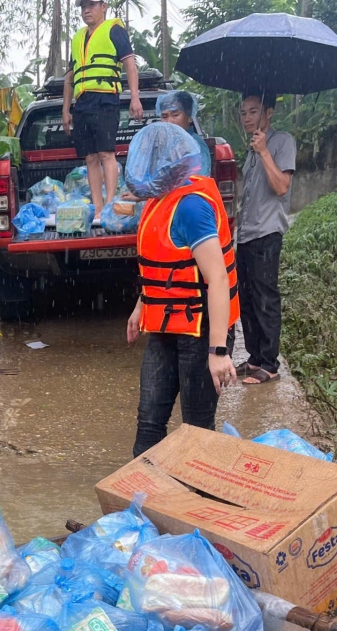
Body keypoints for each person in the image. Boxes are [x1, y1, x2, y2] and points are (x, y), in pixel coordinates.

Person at [124, 122, 239, 456]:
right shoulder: (157, 201)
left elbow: (216, 278)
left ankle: (199, 502)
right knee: (148, 423)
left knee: (197, 430)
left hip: (201, 328)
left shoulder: (191, 207)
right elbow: (162, 265)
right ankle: (143, 502)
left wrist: (218, 351)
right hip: (166, 324)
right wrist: (141, 304)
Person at [62, 0, 143, 224]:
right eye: (82, 6)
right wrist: (66, 109)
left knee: (106, 153)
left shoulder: (114, 29)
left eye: (92, 5)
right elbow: (70, 78)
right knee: (90, 157)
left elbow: (129, 65)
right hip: (82, 103)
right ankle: (98, 208)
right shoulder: (77, 37)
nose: (86, 10)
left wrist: (134, 97)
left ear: (104, 6)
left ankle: (109, 204)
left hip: (105, 99)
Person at [235, 90, 295, 385]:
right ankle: (255, 356)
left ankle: (269, 364)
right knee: (245, 298)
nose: (247, 117)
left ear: (269, 113)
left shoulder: (281, 142)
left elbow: (282, 186)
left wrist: (264, 152)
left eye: (253, 111)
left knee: (265, 297)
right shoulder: (251, 148)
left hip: (267, 232)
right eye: (244, 112)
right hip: (246, 234)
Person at [155, 91, 212, 177]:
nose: (169, 121)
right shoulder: (161, 144)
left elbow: (198, 177)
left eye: (175, 115)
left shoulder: (195, 144)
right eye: (164, 117)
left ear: (189, 117)